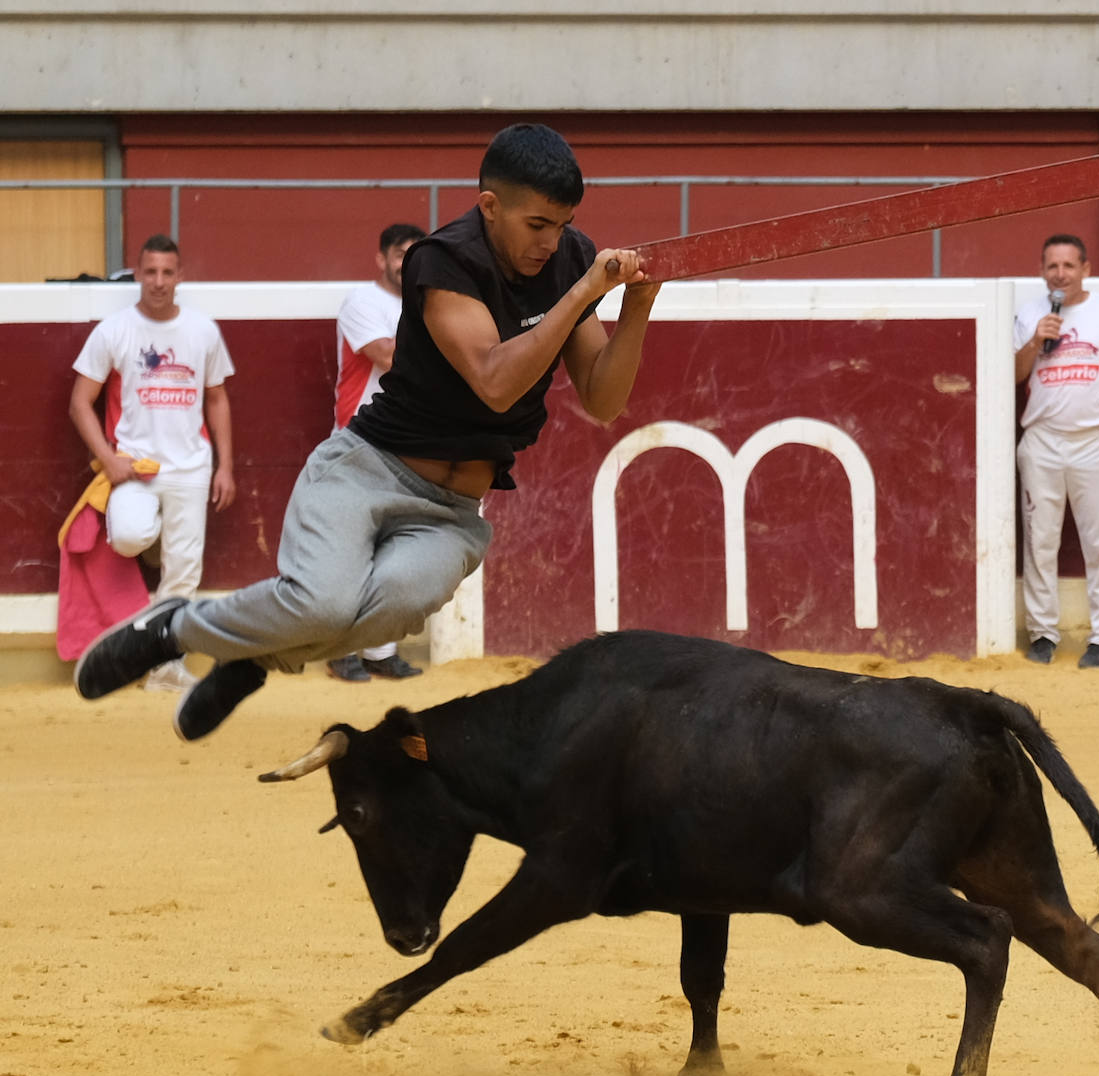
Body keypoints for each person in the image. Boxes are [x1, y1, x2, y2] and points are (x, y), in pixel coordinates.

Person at [75, 123, 662, 740]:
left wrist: (637, 309)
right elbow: (495, 381)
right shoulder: (443, 259)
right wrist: (583, 292)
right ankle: (175, 626)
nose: (553, 241)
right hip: (367, 468)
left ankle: (253, 658)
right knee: (323, 605)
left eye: (564, 224)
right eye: (537, 225)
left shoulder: (571, 259)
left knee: (385, 616)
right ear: (490, 206)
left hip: (453, 510)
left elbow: (602, 399)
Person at [68, 233, 236, 693]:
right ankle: (153, 542)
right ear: (137, 275)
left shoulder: (202, 330)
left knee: (184, 573)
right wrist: (106, 459)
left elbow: (217, 399)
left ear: (179, 276)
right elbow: (80, 402)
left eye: (167, 272)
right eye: (150, 272)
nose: (158, 282)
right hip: (134, 467)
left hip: (190, 468)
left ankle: (165, 668)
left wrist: (226, 467)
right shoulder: (114, 330)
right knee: (129, 535)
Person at [1013, 233, 1099, 669]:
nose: (1060, 274)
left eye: (1069, 266)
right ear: (1042, 271)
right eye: (1052, 266)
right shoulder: (1031, 314)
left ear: (1085, 269)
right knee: (1040, 540)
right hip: (1042, 439)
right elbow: (1014, 374)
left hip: (1092, 440)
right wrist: (1035, 340)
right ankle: (1042, 634)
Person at [326, 222, 427, 684]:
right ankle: (341, 648)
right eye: (401, 254)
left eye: (415, 254)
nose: (407, 263)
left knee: (396, 548)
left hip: (412, 438)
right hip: (362, 436)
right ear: (382, 258)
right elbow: (387, 356)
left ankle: (381, 651)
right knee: (354, 548)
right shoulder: (362, 302)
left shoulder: (427, 304)